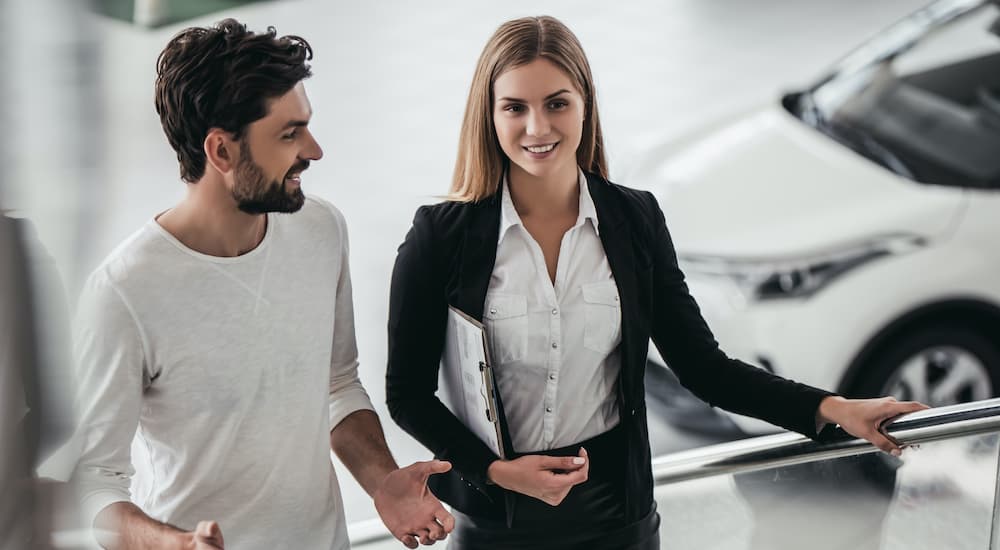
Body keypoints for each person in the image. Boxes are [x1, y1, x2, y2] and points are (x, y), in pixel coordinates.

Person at [385, 15, 928, 550]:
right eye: (515, 108)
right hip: (495, 523)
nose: (537, 128)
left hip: (617, 518)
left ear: (585, 104)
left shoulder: (634, 221)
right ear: (489, 114)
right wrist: (498, 472)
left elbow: (704, 368)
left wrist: (836, 410)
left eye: (556, 102)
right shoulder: (442, 235)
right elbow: (406, 394)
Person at [72, 19, 452, 550]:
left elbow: (337, 384)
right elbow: (94, 483)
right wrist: (173, 544)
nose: (314, 150)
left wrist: (382, 482)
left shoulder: (320, 229)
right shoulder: (123, 292)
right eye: (289, 133)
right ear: (221, 152)